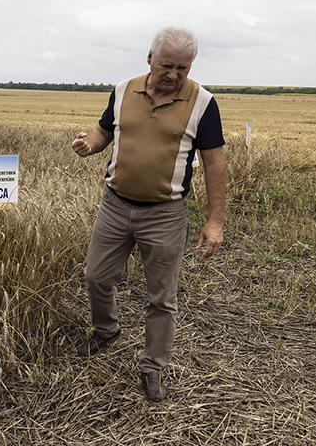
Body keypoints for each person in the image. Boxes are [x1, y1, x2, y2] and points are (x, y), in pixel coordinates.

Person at [71, 27, 226, 402]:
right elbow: (105, 130)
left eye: (183, 68)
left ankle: (153, 366)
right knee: (96, 276)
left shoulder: (203, 103)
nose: (175, 75)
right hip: (116, 204)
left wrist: (215, 221)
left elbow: (215, 164)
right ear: (150, 59)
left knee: (162, 297)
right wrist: (90, 144)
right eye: (168, 66)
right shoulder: (124, 90)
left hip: (166, 213)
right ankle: (106, 329)